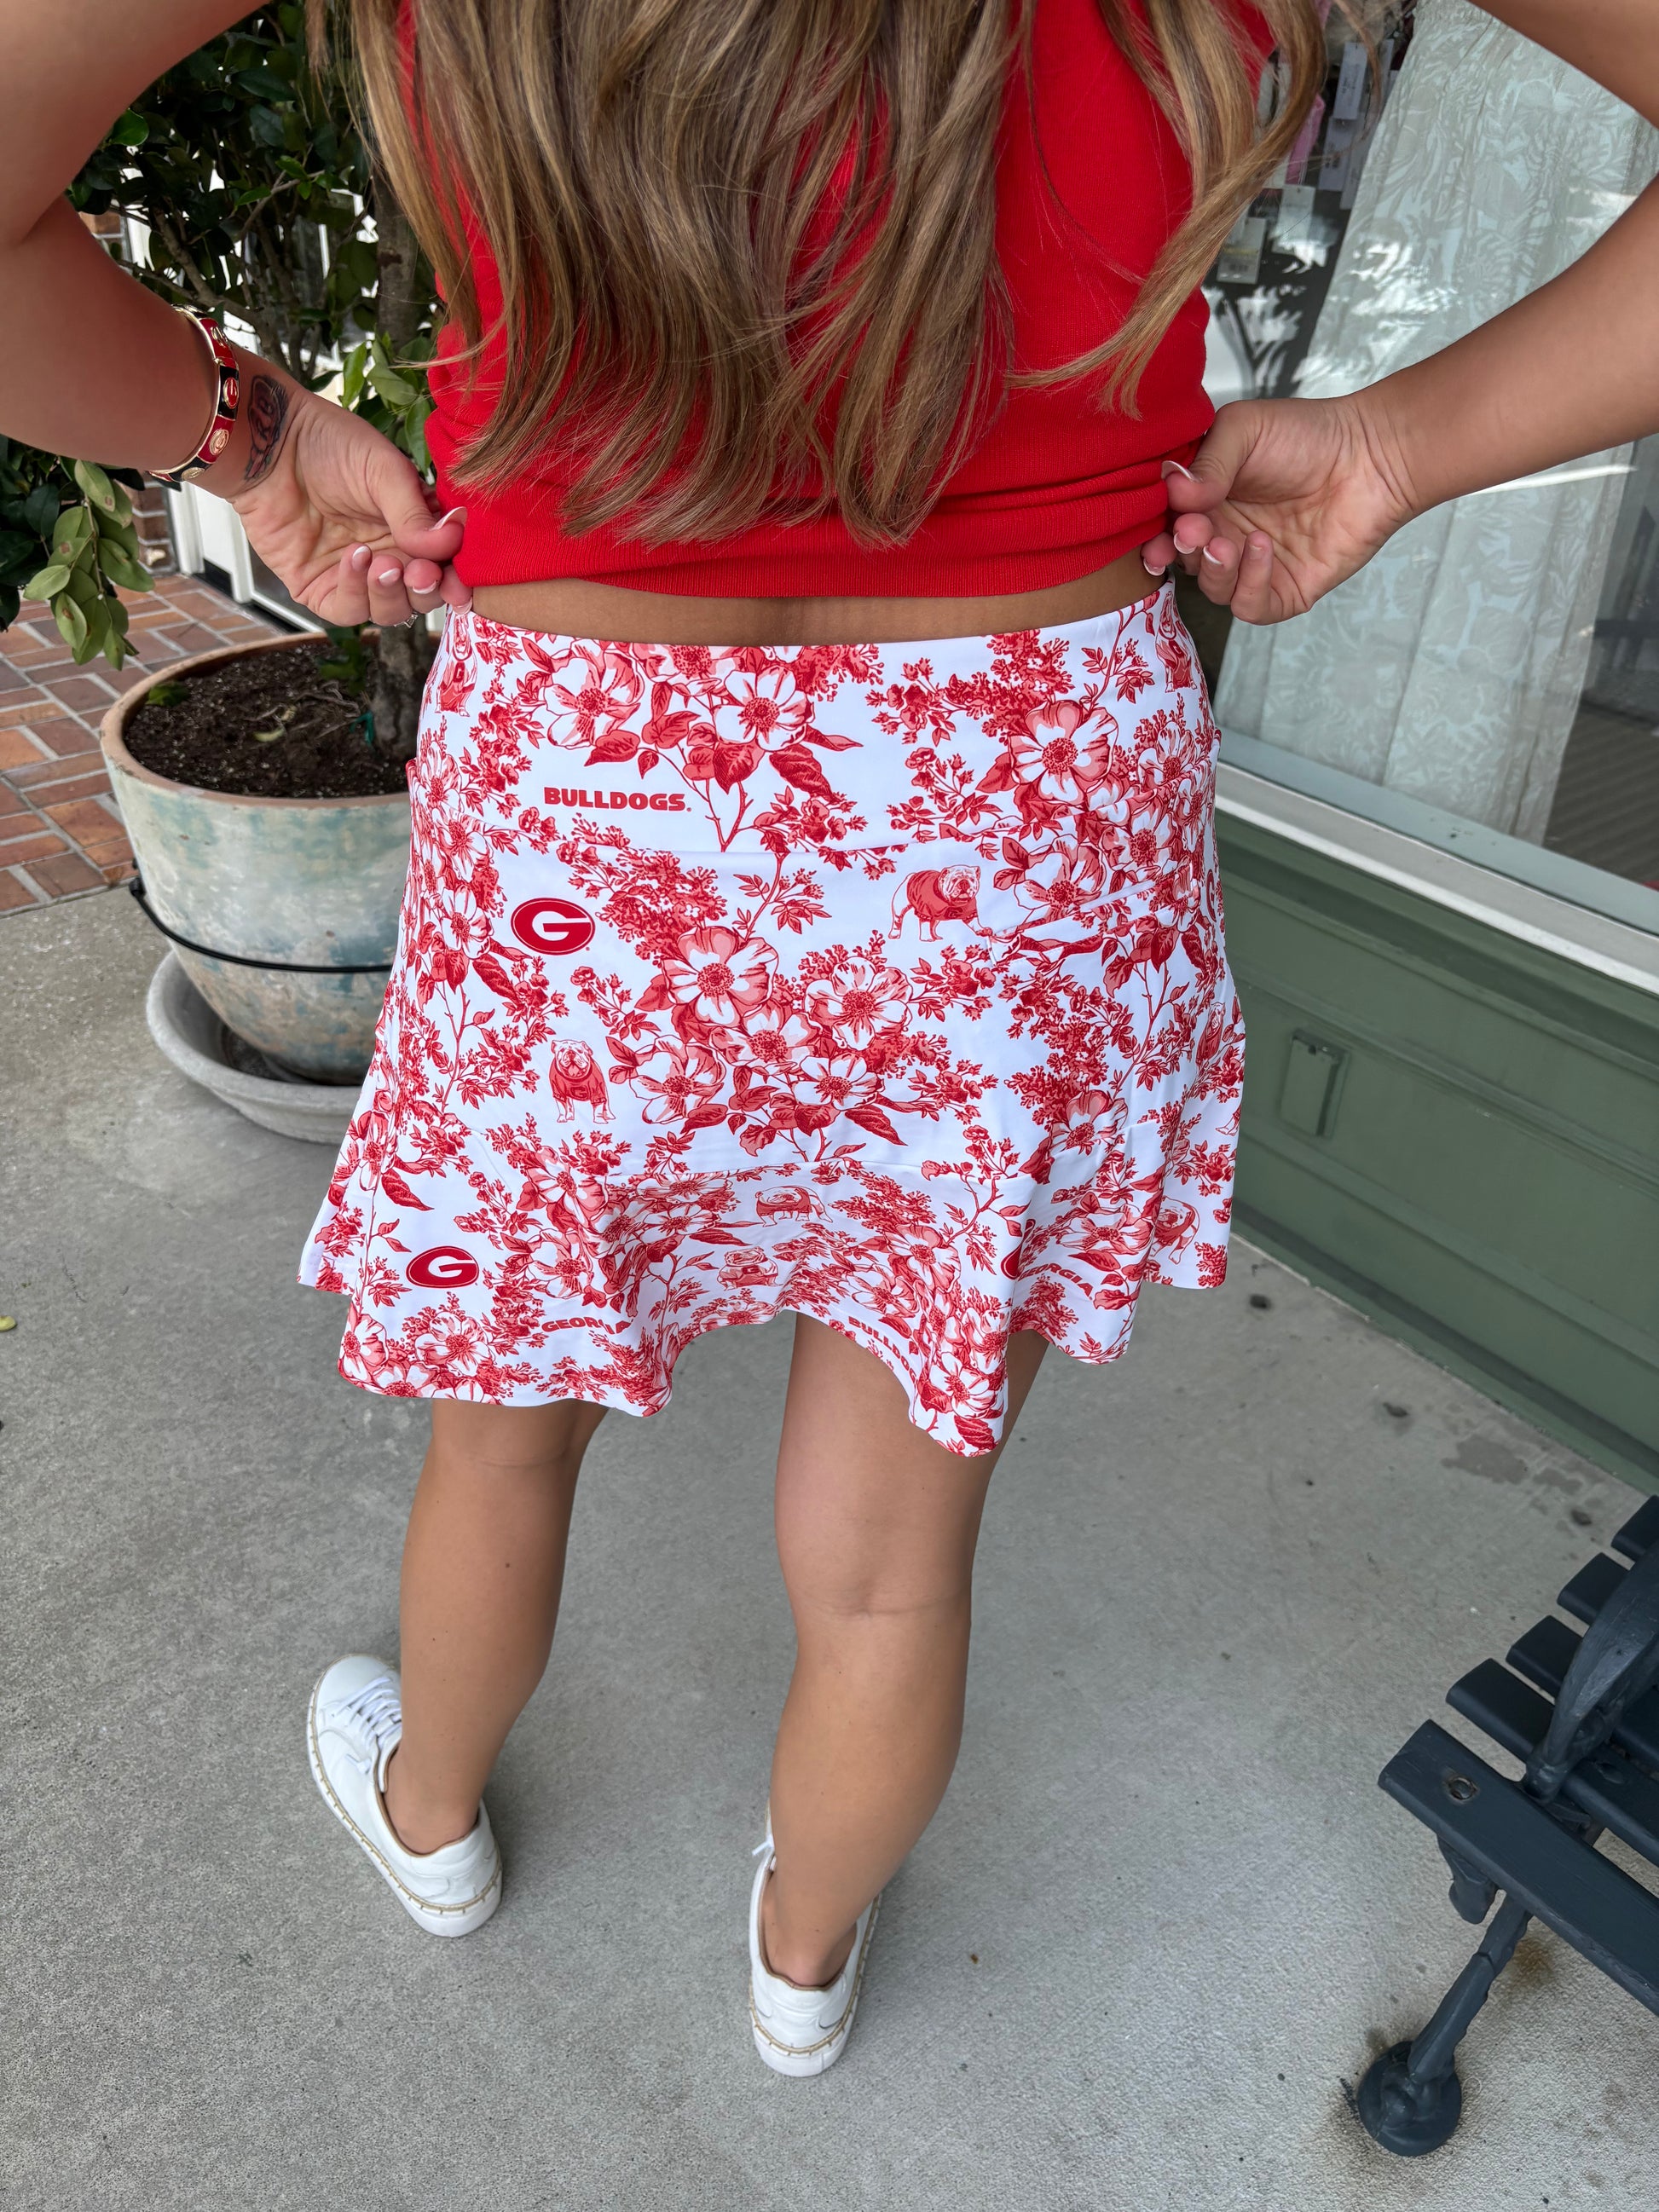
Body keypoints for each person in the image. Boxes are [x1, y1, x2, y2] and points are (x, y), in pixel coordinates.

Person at [3, 0, 1653, 2078]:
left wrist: (236, 432)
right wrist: (1396, 445)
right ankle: (800, 1954)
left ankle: (433, 1820)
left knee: (503, 1425)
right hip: (1029, 781)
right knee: (894, 1553)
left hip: (591, 802)